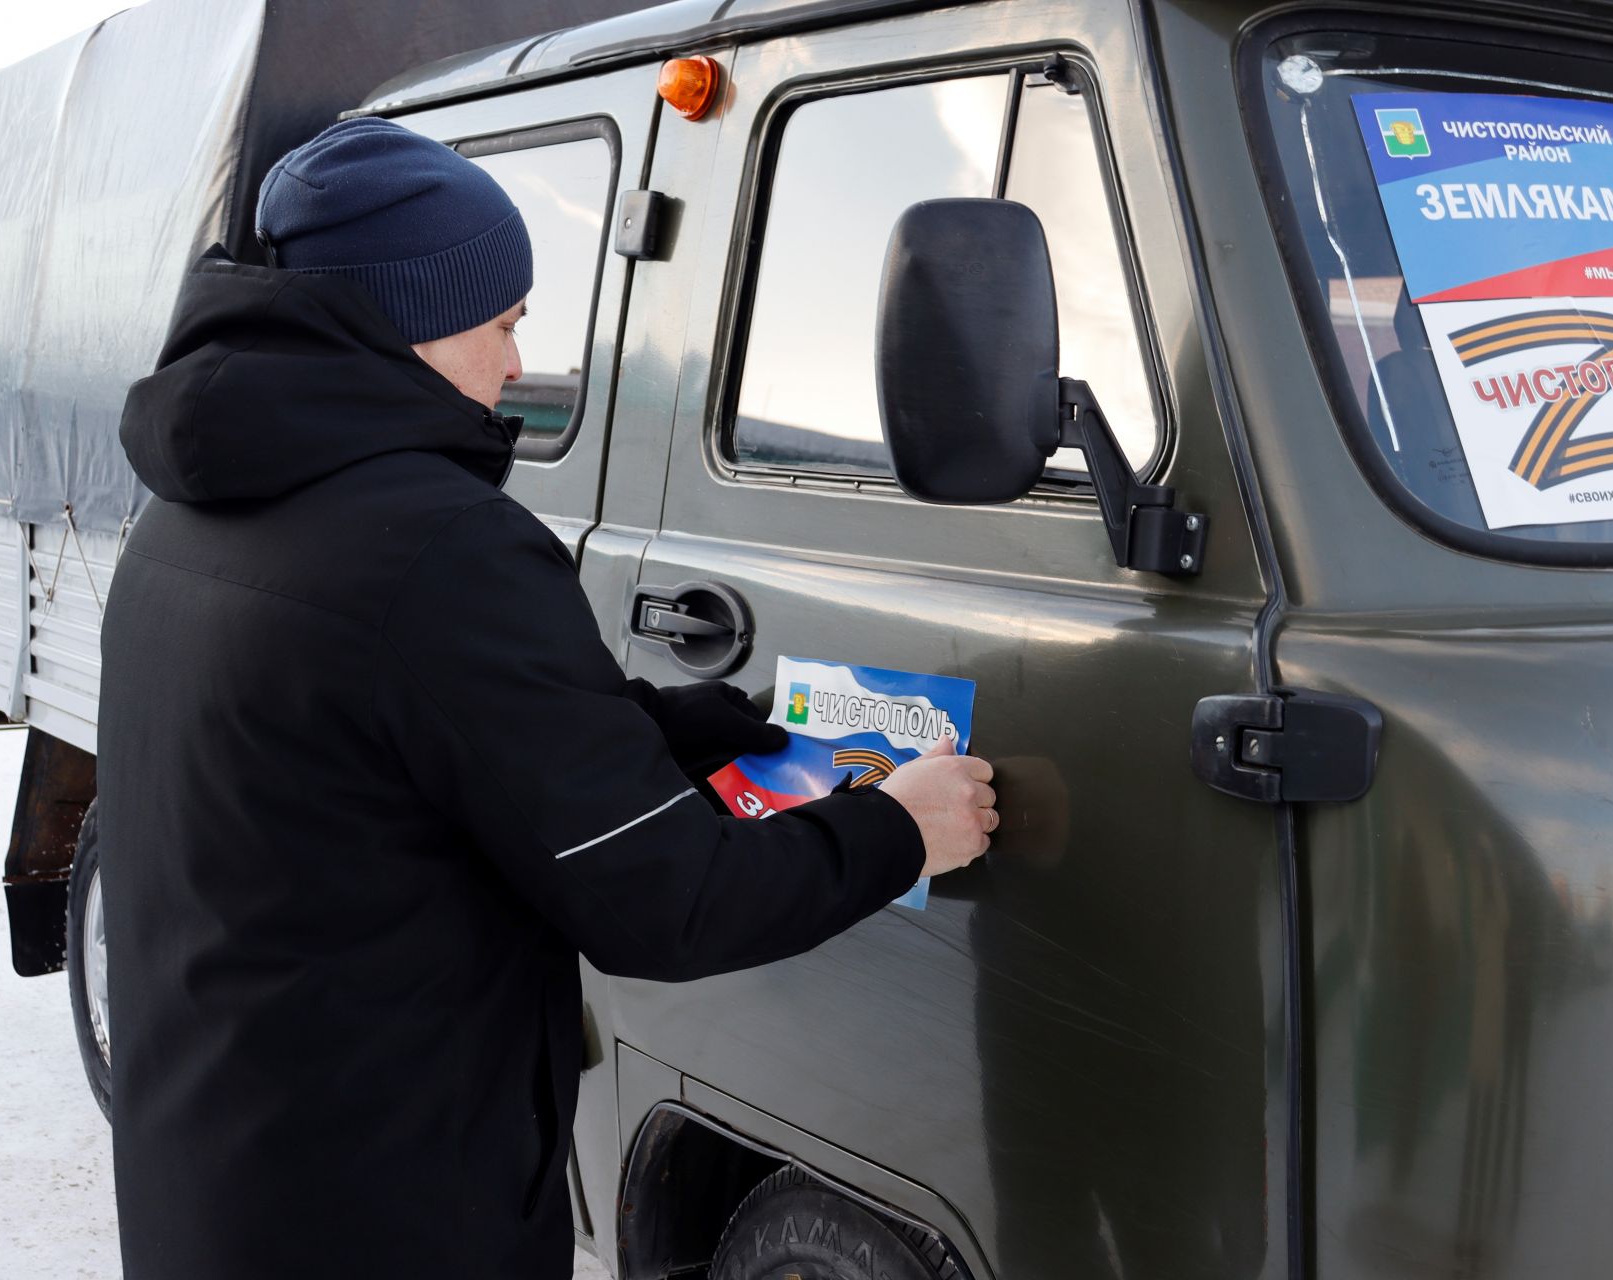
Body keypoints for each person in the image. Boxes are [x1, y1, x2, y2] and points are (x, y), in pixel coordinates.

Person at [96, 118, 996, 1279]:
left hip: (222, 1176)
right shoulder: (439, 543)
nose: (518, 363)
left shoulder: (184, 510)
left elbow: (383, 742)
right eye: (505, 321)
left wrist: (674, 731)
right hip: (394, 1208)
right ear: (409, 321)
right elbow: (667, 904)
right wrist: (900, 826)